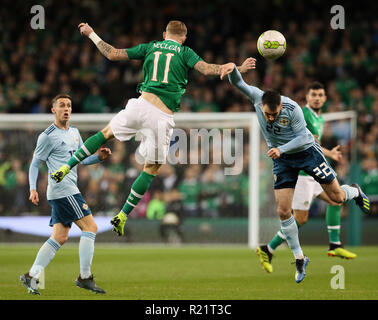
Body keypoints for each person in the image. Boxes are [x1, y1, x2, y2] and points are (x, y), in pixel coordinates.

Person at [50, 20, 255, 237]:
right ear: (184, 38)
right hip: (161, 116)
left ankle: (67, 166)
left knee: (105, 134)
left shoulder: (150, 46)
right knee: (151, 168)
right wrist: (236, 69)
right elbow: (206, 69)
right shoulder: (186, 52)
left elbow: (112, 53)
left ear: (164, 34)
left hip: (140, 104)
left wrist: (91, 33)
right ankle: (123, 215)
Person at [221, 64, 371, 283]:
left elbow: (303, 138)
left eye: (274, 114)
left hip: (308, 154)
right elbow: (238, 82)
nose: (270, 119)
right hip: (283, 161)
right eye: (267, 115)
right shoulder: (257, 97)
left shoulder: (293, 109)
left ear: (281, 105)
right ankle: (300, 258)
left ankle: (355, 191)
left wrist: (280, 148)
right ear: (261, 105)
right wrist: (233, 68)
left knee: (337, 197)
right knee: (283, 211)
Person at [257, 82, 357, 274]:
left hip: (312, 172)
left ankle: (335, 244)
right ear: (307, 97)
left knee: (336, 200)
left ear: (325, 98)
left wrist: (328, 154)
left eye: (321, 94)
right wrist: (329, 153)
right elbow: (308, 140)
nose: (317, 98)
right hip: (303, 173)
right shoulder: (303, 113)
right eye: (314, 94)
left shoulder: (320, 118)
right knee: (300, 219)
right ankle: (268, 249)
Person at [20, 94, 111, 295]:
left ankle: (32, 276)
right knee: (91, 227)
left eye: (69, 105)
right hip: (63, 190)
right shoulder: (47, 136)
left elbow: (80, 160)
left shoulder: (75, 133)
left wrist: (98, 158)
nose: (66, 108)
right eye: (61, 105)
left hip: (67, 190)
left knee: (60, 237)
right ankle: (84, 277)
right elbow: (35, 163)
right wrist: (32, 188)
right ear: (53, 110)